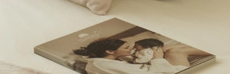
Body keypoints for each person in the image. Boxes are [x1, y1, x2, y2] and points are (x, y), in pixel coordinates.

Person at [73, 37, 207, 74]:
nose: (131, 50)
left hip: (157, 68)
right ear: (110, 51)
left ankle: (208, 49)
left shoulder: (112, 59)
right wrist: (157, 58)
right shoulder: (99, 64)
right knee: (175, 52)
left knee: (167, 48)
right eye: (126, 48)